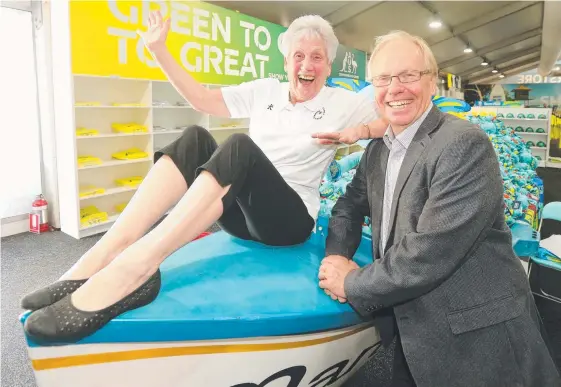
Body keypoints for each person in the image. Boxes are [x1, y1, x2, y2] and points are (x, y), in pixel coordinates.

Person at [21, 12, 387, 343]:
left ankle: (137, 267)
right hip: (240, 218)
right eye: (299, 56)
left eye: (317, 57)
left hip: (288, 223)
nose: (307, 65)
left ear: (328, 66)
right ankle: (106, 252)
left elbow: (391, 118)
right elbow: (200, 100)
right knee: (195, 138)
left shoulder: (343, 102)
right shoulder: (265, 90)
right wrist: (159, 51)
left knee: (239, 146)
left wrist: (362, 129)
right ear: (287, 61)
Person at [318, 31, 561, 387]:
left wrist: (352, 283)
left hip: (476, 342)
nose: (394, 88)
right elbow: (348, 207)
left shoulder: (463, 143)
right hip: (413, 335)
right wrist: (337, 256)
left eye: (408, 76)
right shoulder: (379, 149)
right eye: (383, 79)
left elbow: (430, 251)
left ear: (431, 81)